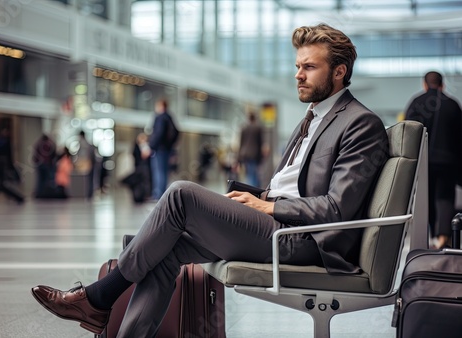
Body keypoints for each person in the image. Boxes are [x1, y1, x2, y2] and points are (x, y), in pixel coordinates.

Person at [31, 23, 389, 337]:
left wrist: (270, 205)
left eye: (309, 67)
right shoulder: (312, 117)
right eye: (298, 66)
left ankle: (98, 297)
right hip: (274, 223)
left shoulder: (359, 122)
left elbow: (338, 207)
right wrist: (250, 199)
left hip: (302, 240)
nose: (298, 74)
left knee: (180, 195)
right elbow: (289, 184)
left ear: (340, 71)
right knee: (165, 251)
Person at [404, 71, 462, 249]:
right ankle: (443, 235)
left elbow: (408, 135)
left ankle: (429, 238)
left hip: (423, 162)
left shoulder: (416, 103)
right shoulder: (453, 105)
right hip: (448, 162)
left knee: (425, 198)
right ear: (442, 85)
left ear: (424, 84)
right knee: (444, 197)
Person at [148, 98, 177, 200]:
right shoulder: (169, 117)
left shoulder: (160, 118)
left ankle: (158, 194)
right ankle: (163, 194)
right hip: (167, 150)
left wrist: (151, 146)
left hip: (159, 149)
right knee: (164, 172)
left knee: (158, 172)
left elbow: (158, 134)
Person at [238, 111, 265, 187]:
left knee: (249, 173)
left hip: (245, 154)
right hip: (254, 154)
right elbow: (260, 143)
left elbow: (241, 143)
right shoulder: (258, 128)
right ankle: (252, 189)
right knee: (253, 174)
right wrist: (261, 158)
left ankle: (250, 187)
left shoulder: (244, 128)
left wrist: (238, 158)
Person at [75, 130, 96, 199]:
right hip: (88, 162)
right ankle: (89, 193)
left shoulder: (81, 143)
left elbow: (80, 154)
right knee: (88, 179)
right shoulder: (88, 144)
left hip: (84, 162)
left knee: (85, 179)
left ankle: (85, 193)